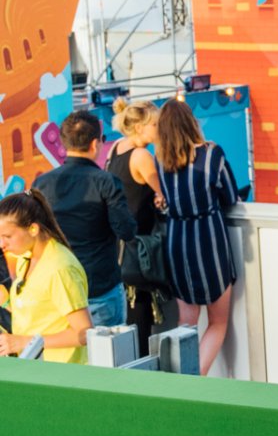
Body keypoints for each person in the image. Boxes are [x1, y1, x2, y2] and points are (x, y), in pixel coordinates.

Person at [155, 99, 240, 375]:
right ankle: (196, 377)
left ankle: (183, 378)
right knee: (218, 322)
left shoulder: (160, 161)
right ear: (191, 123)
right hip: (209, 242)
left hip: (177, 242)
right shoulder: (211, 153)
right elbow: (230, 196)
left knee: (186, 323)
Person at [32, 111, 137, 328]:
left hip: (61, 291)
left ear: (64, 142)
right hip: (100, 285)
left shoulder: (41, 184)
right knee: (109, 349)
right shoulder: (106, 182)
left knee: (72, 349)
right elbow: (126, 230)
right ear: (95, 144)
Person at [108, 99, 174, 358]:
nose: (159, 129)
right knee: (141, 320)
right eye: (154, 125)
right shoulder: (142, 156)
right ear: (139, 128)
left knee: (129, 321)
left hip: (119, 247)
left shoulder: (116, 148)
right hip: (140, 251)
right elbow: (164, 195)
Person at [0, 191, 93, 363]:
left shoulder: (60, 268)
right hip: (36, 369)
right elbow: (42, 311)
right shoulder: (26, 256)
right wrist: (6, 302)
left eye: (7, 237)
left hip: (61, 372)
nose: (1, 244)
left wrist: (22, 342)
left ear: (33, 229)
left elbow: (84, 332)